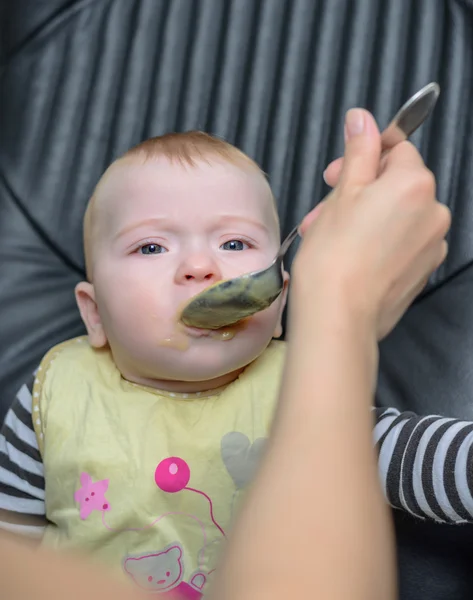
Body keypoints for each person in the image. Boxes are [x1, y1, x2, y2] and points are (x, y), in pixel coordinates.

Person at [0, 108, 451, 600]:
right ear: (95, 315)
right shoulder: (55, 393)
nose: (200, 266)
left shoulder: (306, 388)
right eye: (151, 248)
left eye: (234, 242)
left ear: (280, 305)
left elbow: (418, 458)